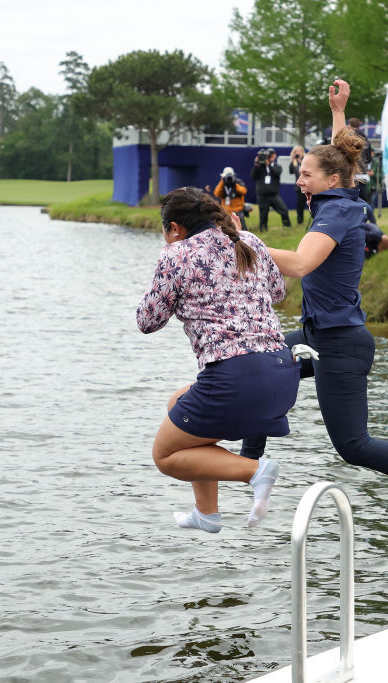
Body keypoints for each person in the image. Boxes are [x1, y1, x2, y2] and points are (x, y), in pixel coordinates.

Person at [242, 79, 388, 523]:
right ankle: (253, 470)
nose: (299, 179)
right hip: (316, 333)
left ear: (328, 182)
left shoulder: (340, 210)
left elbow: (302, 264)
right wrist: (338, 113)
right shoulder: (334, 193)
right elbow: (337, 160)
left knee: (353, 446)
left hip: (341, 343)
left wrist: (242, 242)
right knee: (256, 363)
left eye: (305, 175)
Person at [136, 187, 301, 533]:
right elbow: (279, 293)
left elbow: (147, 321)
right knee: (178, 405)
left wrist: (170, 269)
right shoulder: (249, 241)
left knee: (164, 455)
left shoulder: (176, 254)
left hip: (235, 379)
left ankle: (253, 471)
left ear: (175, 229)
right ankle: (206, 513)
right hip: (282, 372)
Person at [250, 148, 291, 232]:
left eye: (272, 154)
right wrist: (256, 164)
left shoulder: (277, 166)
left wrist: (268, 165)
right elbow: (253, 176)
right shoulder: (260, 166)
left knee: (284, 210)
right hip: (262, 195)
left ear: (275, 155)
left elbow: (277, 173)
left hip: (274, 194)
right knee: (263, 215)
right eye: (268, 155)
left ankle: (287, 227)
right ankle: (263, 230)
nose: (270, 156)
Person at [212, 166, 249, 231]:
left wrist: (235, 184)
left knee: (242, 225)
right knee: (225, 227)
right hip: (226, 209)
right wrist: (222, 181)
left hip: (238, 209)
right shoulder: (222, 184)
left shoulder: (238, 182)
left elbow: (244, 191)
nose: (229, 178)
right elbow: (216, 193)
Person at [349, 117, 375, 204]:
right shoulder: (365, 138)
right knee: (363, 201)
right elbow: (370, 156)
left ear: (350, 126)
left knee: (352, 200)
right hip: (363, 173)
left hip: (352, 173)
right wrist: (368, 168)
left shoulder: (350, 137)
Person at [289, 146, 307, 225]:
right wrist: (292, 160)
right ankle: (300, 221)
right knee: (300, 204)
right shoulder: (294, 162)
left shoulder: (306, 160)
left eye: (299, 151)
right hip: (299, 186)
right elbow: (291, 172)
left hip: (308, 184)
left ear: (302, 152)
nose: (298, 153)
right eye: (296, 151)